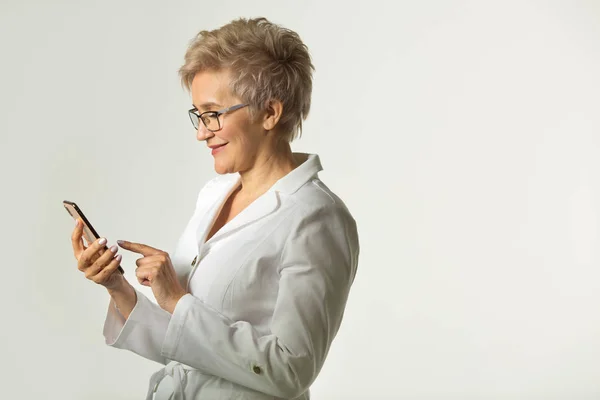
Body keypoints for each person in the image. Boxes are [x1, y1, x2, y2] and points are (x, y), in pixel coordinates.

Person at [71, 17, 359, 400]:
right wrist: (117, 287)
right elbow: (189, 348)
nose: (201, 131)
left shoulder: (317, 218)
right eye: (198, 114)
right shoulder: (214, 194)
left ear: (270, 113)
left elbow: (292, 369)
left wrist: (176, 300)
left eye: (213, 113)